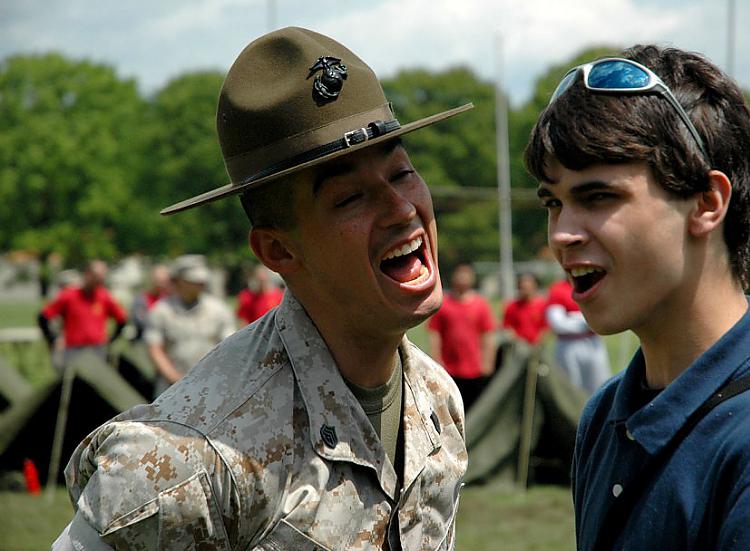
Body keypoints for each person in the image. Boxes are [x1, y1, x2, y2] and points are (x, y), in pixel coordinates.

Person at [54, 27, 471, 550]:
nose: (402, 208)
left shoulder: (436, 400)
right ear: (278, 251)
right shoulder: (187, 464)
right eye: (349, 198)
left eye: (403, 172)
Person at [525, 45, 750, 549]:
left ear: (707, 203)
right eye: (554, 203)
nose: (562, 233)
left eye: (598, 197)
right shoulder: (604, 416)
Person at [145, 255, 235, 397]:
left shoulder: (218, 309)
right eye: (193, 280)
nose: (200, 283)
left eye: (201, 280)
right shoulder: (161, 311)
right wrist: (176, 379)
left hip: (211, 386)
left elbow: (231, 346)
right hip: (170, 389)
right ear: (178, 281)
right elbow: (155, 349)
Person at [428, 263, 496, 409]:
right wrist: (436, 359)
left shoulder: (481, 305)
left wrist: (488, 361)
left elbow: (488, 335)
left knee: (474, 407)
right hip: (449, 369)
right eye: (460, 274)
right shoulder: (443, 304)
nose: (463, 278)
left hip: (475, 369)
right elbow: (435, 334)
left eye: (466, 274)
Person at [37, 259, 126, 369]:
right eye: (97, 276)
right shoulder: (69, 296)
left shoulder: (104, 296)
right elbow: (43, 317)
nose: (100, 280)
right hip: (74, 350)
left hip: (97, 349)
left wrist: (112, 339)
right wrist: (53, 339)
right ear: (87, 274)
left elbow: (122, 319)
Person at [545, 277, 611, 394]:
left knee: (600, 384)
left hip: (593, 342)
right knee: (571, 387)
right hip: (569, 344)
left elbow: (605, 315)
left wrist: (573, 317)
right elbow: (558, 323)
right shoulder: (558, 290)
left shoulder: (595, 285)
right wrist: (585, 321)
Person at [128, 263, 171, 341]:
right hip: (145, 340)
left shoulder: (171, 299)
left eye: (164, 282)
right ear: (152, 280)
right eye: (158, 281)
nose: (161, 285)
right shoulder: (140, 299)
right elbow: (139, 321)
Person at [502, 272, 547, 345]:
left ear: (535, 286)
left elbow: (546, 328)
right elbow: (507, 326)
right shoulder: (512, 306)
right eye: (522, 287)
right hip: (519, 347)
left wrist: (539, 341)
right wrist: (518, 341)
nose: (524, 288)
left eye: (527, 286)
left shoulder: (542, 306)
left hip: (538, 346)